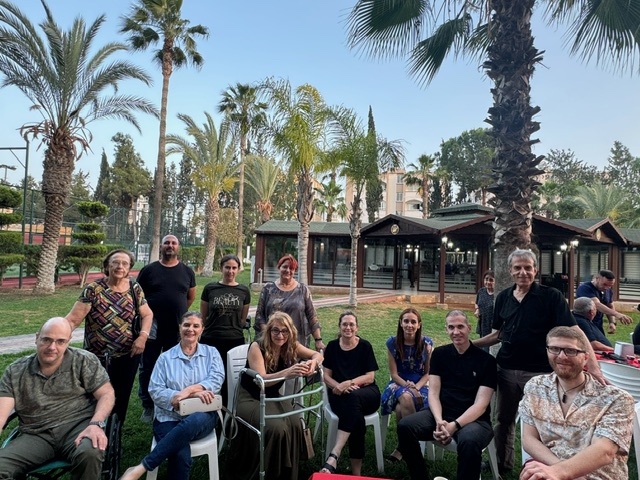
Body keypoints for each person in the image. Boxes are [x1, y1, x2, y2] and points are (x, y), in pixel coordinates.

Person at [474, 248, 605, 474]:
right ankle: (502, 464)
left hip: (540, 373)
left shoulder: (551, 296)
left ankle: (546, 469)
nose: (523, 272)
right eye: (518, 268)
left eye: (528, 267)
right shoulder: (503, 297)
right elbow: (498, 334)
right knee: (503, 420)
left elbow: (575, 331)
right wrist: (469, 345)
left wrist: (594, 367)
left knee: (543, 423)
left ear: (535, 270)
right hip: (506, 370)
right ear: (510, 270)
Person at [0, 317, 115, 480]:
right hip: (37, 434)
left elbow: (106, 394)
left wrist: (96, 424)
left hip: (78, 427)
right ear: (37, 338)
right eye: (46, 339)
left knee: (91, 452)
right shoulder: (15, 371)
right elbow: (1, 413)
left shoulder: (83, 360)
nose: (52, 347)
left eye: (60, 341)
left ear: (68, 341)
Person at [520, 326, 634, 480]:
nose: (562, 356)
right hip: (550, 469)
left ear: (586, 357)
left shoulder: (616, 399)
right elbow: (529, 439)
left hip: (597, 475)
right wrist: (561, 471)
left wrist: (562, 472)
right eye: (554, 349)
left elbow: (604, 451)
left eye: (570, 351)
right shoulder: (535, 387)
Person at [120, 312, 224, 480]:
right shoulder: (165, 358)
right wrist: (186, 395)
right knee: (180, 455)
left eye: (196, 326)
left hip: (203, 415)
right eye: (186, 325)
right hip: (168, 417)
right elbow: (155, 390)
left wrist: (187, 391)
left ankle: (141, 467)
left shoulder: (211, 353)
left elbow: (216, 380)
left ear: (202, 330)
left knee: (195, 419)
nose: (190, 329)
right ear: (180, 327)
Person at [397, 310, 496, 480]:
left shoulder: (486, 361)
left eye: (460, 327)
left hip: (474, 420)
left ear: (469, 328)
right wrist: (439, 421)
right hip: (441, 413)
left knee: (469, 441)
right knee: (405, 426)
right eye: (451, 327)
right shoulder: (440, 354)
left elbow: (481, 404)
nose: (456, 332)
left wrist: (454, 426)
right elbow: (433, 393)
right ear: (446, 329)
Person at [228, 312, 322, 480]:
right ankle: (269, 473)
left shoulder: (291, 345)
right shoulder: (257, 347)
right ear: (269, 330)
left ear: (290, 332)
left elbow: (318, 355)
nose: (280, 335)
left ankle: (289, 473)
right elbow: (262, 380)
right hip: (250, 398)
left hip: (272, 396)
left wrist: (313, 362)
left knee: (295, 422)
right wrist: (287, 372)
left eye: (285, 331)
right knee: (277, 428)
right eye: (276, 330)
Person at [66, 249, 153, 424]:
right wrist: (54, 333)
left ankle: (115, 430)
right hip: (97, 357)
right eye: (115, 262)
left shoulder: (135, 288)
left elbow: (147, 314)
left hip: (128, 355)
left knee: (121, 396)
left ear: (129, 268)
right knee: (95, 396)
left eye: (125, 263)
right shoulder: (93, 289)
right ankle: (94, 428)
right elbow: (73, 319)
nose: (120, 266)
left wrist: (143, 337)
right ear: (107, 266)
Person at [137, 234, 197, 423]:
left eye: (173, 243)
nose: (170, 245)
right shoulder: (148, 271)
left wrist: (177, 311)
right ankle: (148, 405)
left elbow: (190, 297)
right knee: (148, 366)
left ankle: (171, 400)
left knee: (175, 366)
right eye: (167, 243)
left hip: (176, 328)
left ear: (178, 247)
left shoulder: (187, 272)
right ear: (161, 246)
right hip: (152, 327)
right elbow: (138, 297)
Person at [320, 311, 380, 476]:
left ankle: (335, 454)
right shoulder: (332, 347)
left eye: (351, 324)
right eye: (344, 324)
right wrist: (339, 387)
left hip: (367, 393)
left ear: (357, 327)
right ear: (339, 327)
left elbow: (370, 377)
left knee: (353, 398)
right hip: (340, 395)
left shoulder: (365, 346)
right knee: (357, 418)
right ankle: (356, 473)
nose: (348, 327)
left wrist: (349, 383)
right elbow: (326, 376)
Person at [381, 307, 433, 464]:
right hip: (398, 383)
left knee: (400, 407)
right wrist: (408, 386)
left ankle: (402, 447)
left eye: (413, 322)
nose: (409, 325)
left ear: (419, 324)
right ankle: (413, 446)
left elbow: (427, 373)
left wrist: (416, 387)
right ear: (400, 323)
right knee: (405, 397)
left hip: (420, 384)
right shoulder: (392, 343)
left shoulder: (426, 344)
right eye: (406, 321)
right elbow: (394, 374)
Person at [200, 254, 251, 406]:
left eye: (234, 268)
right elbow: (203, 316)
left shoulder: (244, 291)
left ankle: (228, 409)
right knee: (209, 376)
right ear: (221, 268)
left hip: (234, 340)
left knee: (231, 379)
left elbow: (243, 319)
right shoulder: (210, 288)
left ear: (238, 269)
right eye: (227, 267)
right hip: (210, 339)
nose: (230, 271)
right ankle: (209, 408)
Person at [255, 254, 324, 350]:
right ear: (279, 267)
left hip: (296, 343)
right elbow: (259, 316)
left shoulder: (303, 290)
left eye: (291, 268)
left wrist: (318, 340)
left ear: (295, 270)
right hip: (272, 342)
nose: (288, 270)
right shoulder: (268, 289)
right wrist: (269, 335)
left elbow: (312, 316)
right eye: (285, 267)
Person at [575, 269, 632, 335]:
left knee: (603, 340)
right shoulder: (585, 288)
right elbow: (597, 304)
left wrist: (612, 322)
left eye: (610, 285)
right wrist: (617, 314)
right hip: (585, 323)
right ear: (597, 279)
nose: (606, 288)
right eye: (604, 284)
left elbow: (610, 306)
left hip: (598, 324)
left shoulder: (608, 290)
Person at [474, 270, 495, 353]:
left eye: (491, 280)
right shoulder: (481, 291)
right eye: (486, 279)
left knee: (487, 350)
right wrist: (477, 309)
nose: (488, 282)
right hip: (483, 323)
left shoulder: (498, 294)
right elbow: (476, 303)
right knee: (482, 348)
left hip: (492, 325)